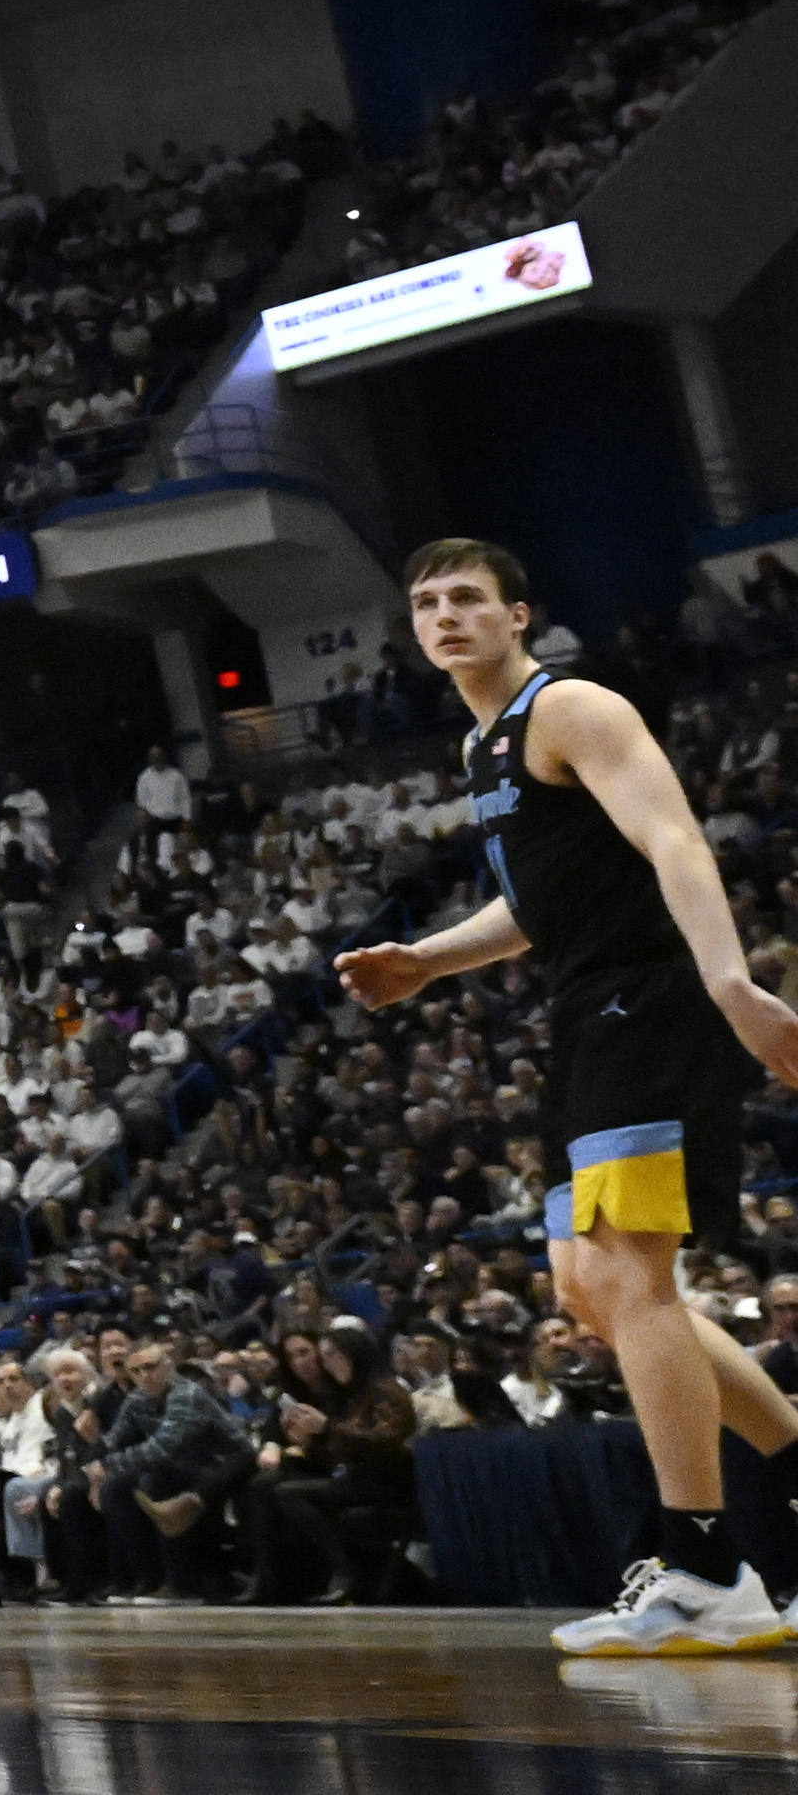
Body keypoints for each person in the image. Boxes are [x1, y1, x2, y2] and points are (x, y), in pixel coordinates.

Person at [341, 535, 798, 1654]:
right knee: (589, 1289)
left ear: (518, 617)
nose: (445, 616)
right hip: (585, 1007)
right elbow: (533, 909)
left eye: (467, 599)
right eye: (427, 603)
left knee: (626, 1269)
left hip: (653, 997)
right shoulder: (480, 743)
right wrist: (426, 961)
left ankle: (704, 1565)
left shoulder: (573, 708)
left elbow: (673, 837)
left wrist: (732, 979)